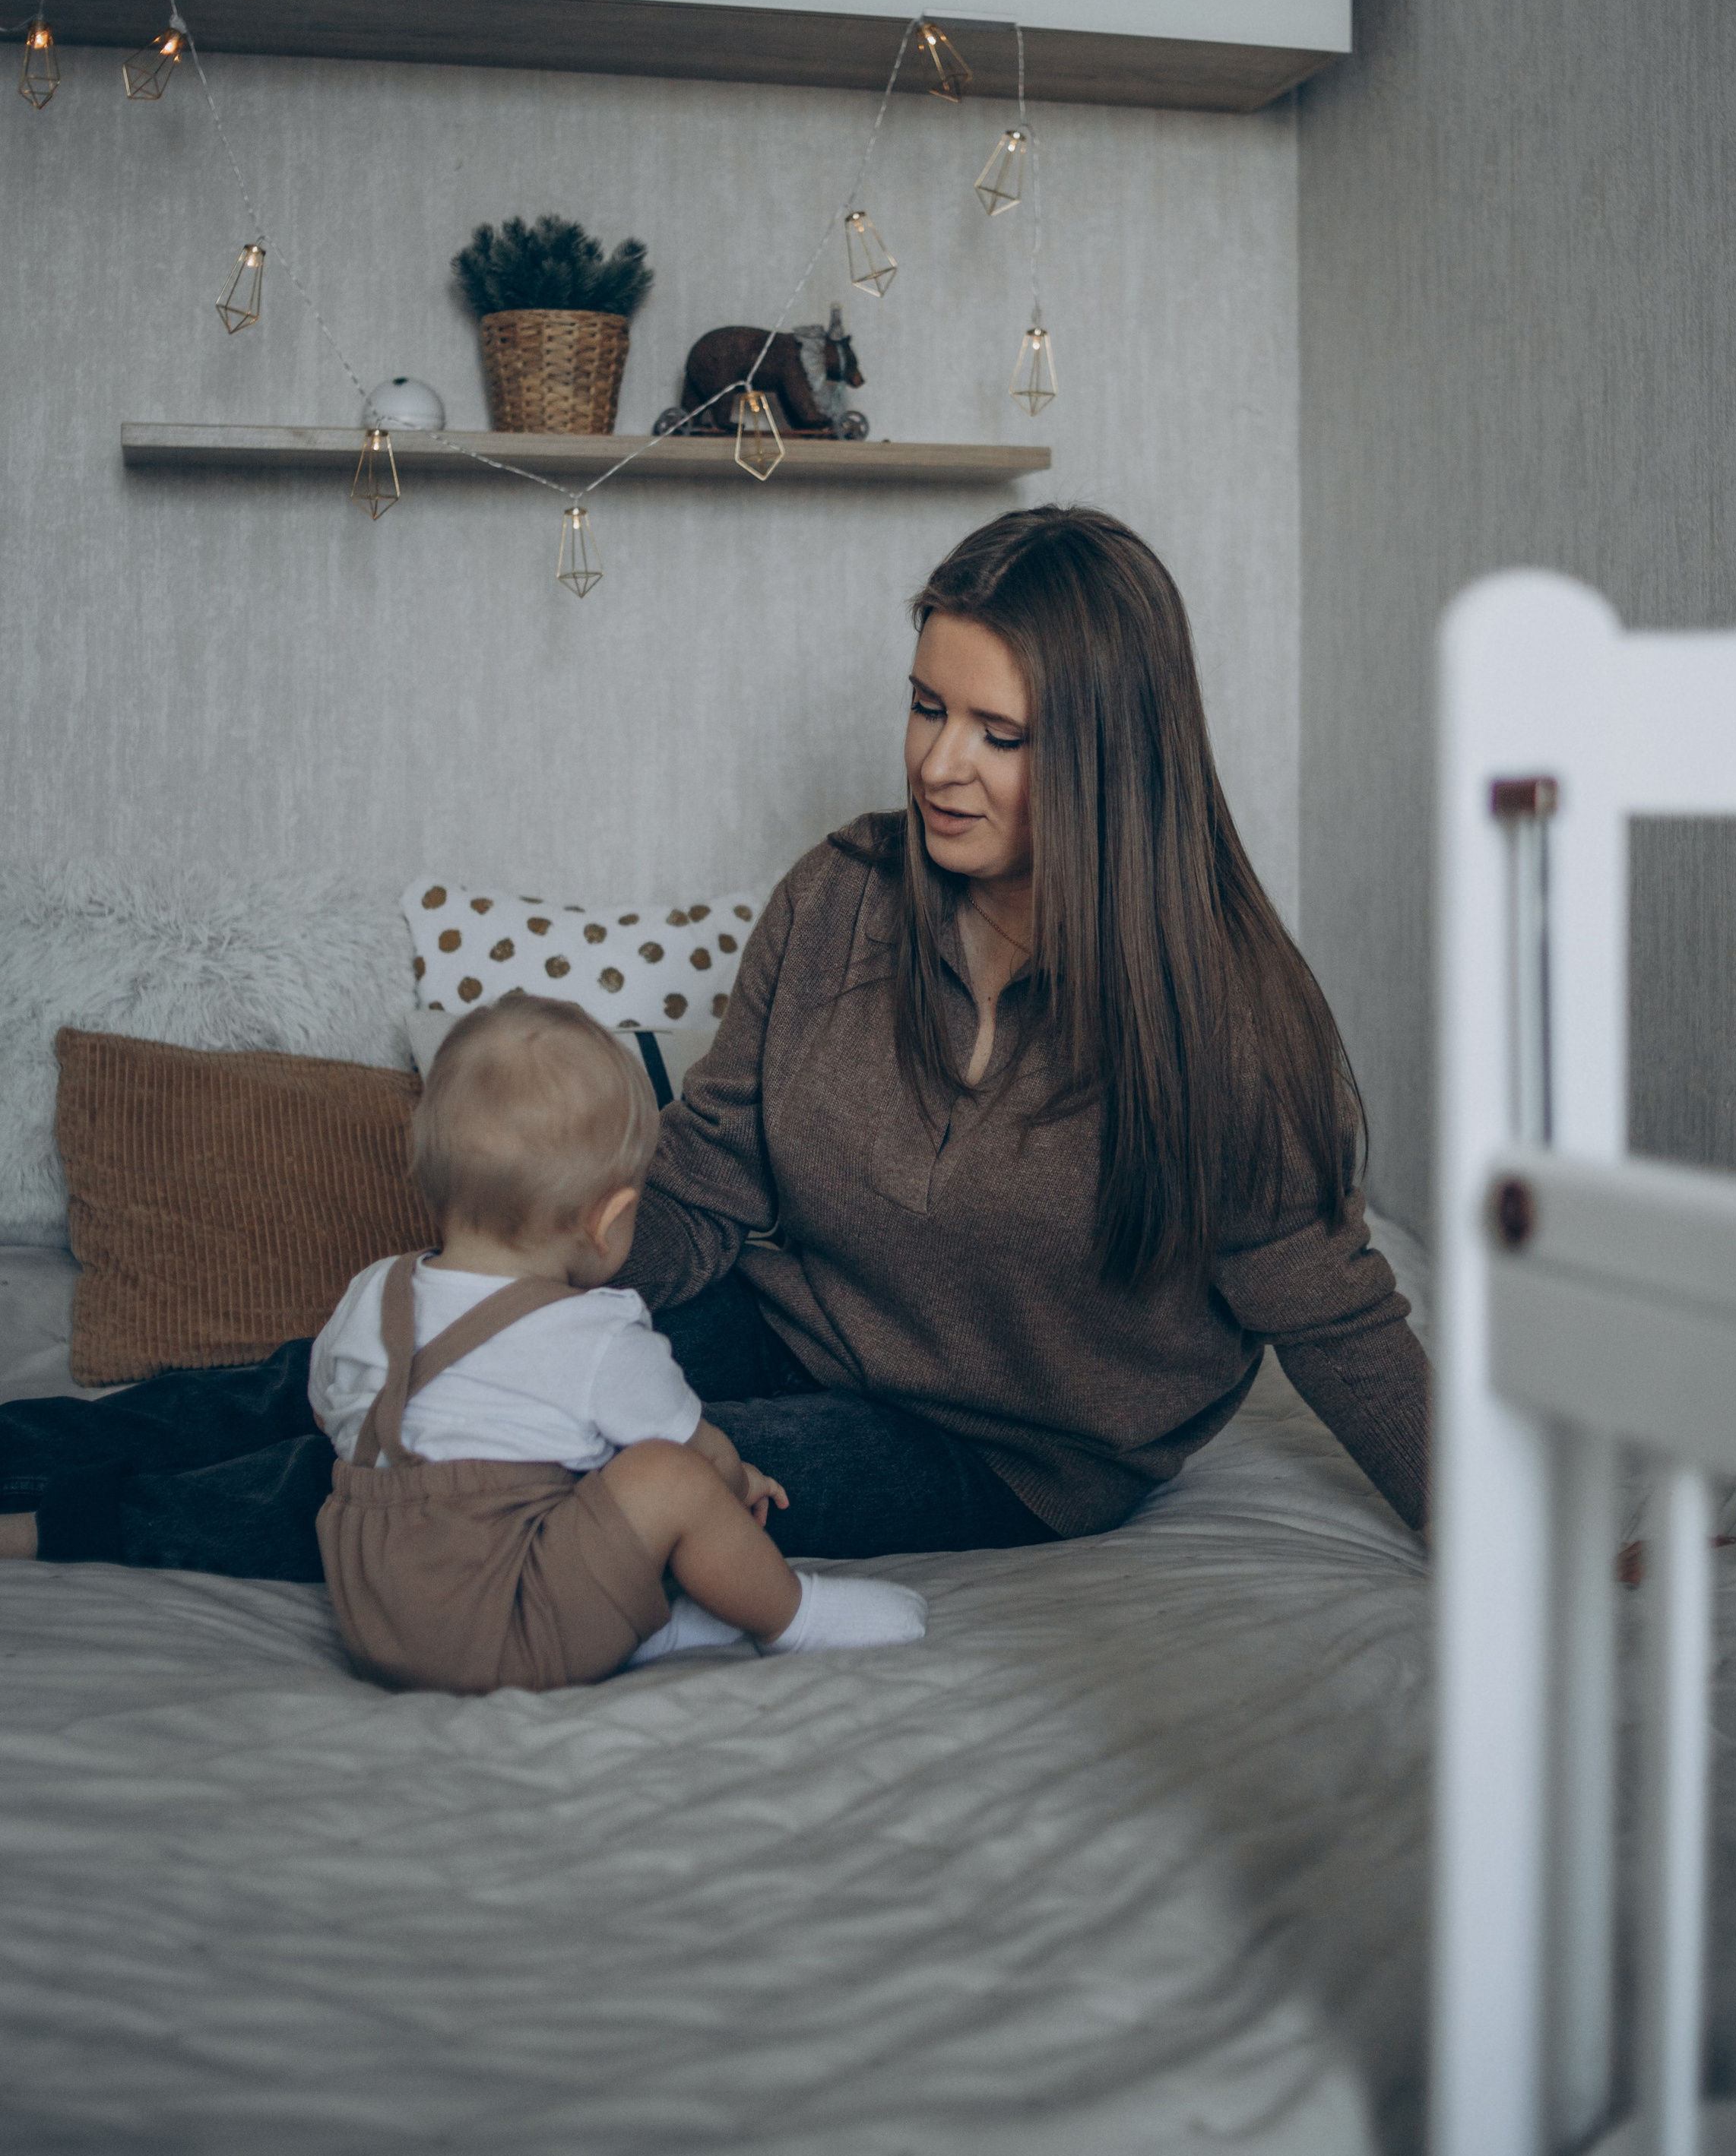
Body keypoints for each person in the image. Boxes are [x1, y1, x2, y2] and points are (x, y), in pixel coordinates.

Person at [0, 505, 1428, 1579]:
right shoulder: (842, 899)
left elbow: (1340, 1321)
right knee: (405, 1356)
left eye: (1000, 734)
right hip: (783, 1323)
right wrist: (542, 1282)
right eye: (927, 707)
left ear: (1112, 760)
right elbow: (707, 1179)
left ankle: (73, 1529)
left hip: (1004, 1453)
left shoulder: (1226, 1021)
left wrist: (1497, 1534)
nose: (939, 764)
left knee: (516, 1465)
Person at [308, 993, 924, 1692]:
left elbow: (329, 1410)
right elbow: (694, 1448)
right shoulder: (597, 1331)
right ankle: (794, 1617)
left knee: (567, 1469)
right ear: (611, 1220)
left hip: (377, 1619)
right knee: (666, 1473)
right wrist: (735, 1481)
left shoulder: (373, 1292)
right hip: (508, 1625)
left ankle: (646, 1628)